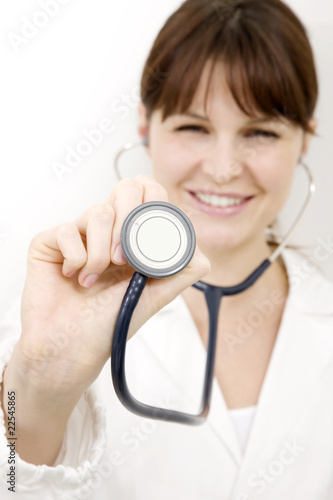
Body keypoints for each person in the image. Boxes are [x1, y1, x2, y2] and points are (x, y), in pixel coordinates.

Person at [1, 0, 332, 498]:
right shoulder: (58, 313)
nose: (223, 168)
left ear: (304, 141)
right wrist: (40, 385)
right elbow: (10, 480)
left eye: (260, 132)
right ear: (144, 126)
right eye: (193, 127)